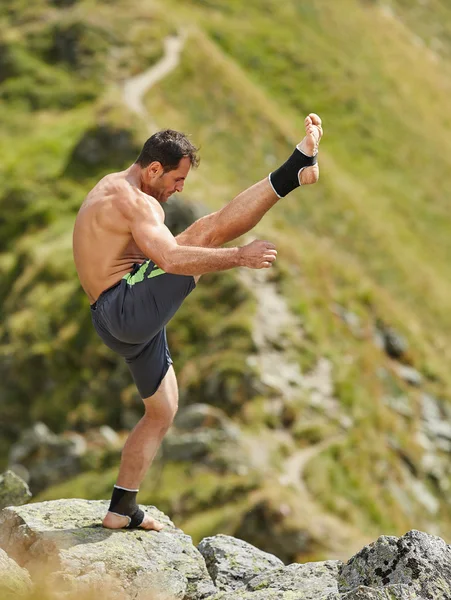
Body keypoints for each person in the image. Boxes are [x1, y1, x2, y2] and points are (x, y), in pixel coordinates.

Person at [72, 113, 323, 531]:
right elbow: (170, 258)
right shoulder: (136, 202)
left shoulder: (114, 185)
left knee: (162, 409)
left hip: (113, 315)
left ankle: (122, 508)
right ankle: (293, 170)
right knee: (209, 231)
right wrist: (241, 257)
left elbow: (148, 255)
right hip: (125, 307)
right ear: (154, 169)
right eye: (176, 180)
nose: (178, 189)